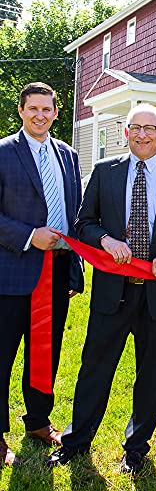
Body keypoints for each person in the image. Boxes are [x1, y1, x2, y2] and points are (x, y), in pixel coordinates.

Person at [46, 104, 156, 474]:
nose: (143, 135)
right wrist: (104, 239)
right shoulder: (105, 172)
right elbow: (82, 223)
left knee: (150, 374)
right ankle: (76, 441)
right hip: (112, 293)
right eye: (136, 127)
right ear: (126, 132)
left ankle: (136, 448)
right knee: (95, 369)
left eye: (151, 129)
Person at [0, 83, 84, 465]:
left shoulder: (67, 154)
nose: (40, 115)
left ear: (55, 111)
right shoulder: (3, 152)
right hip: (13, 270)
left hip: (57, 269)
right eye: (32, 108)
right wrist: (30, 236)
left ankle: (37, 419)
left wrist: (75, 267)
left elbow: (75, 213)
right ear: (21, 110)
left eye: (46, 109)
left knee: (45, 353)